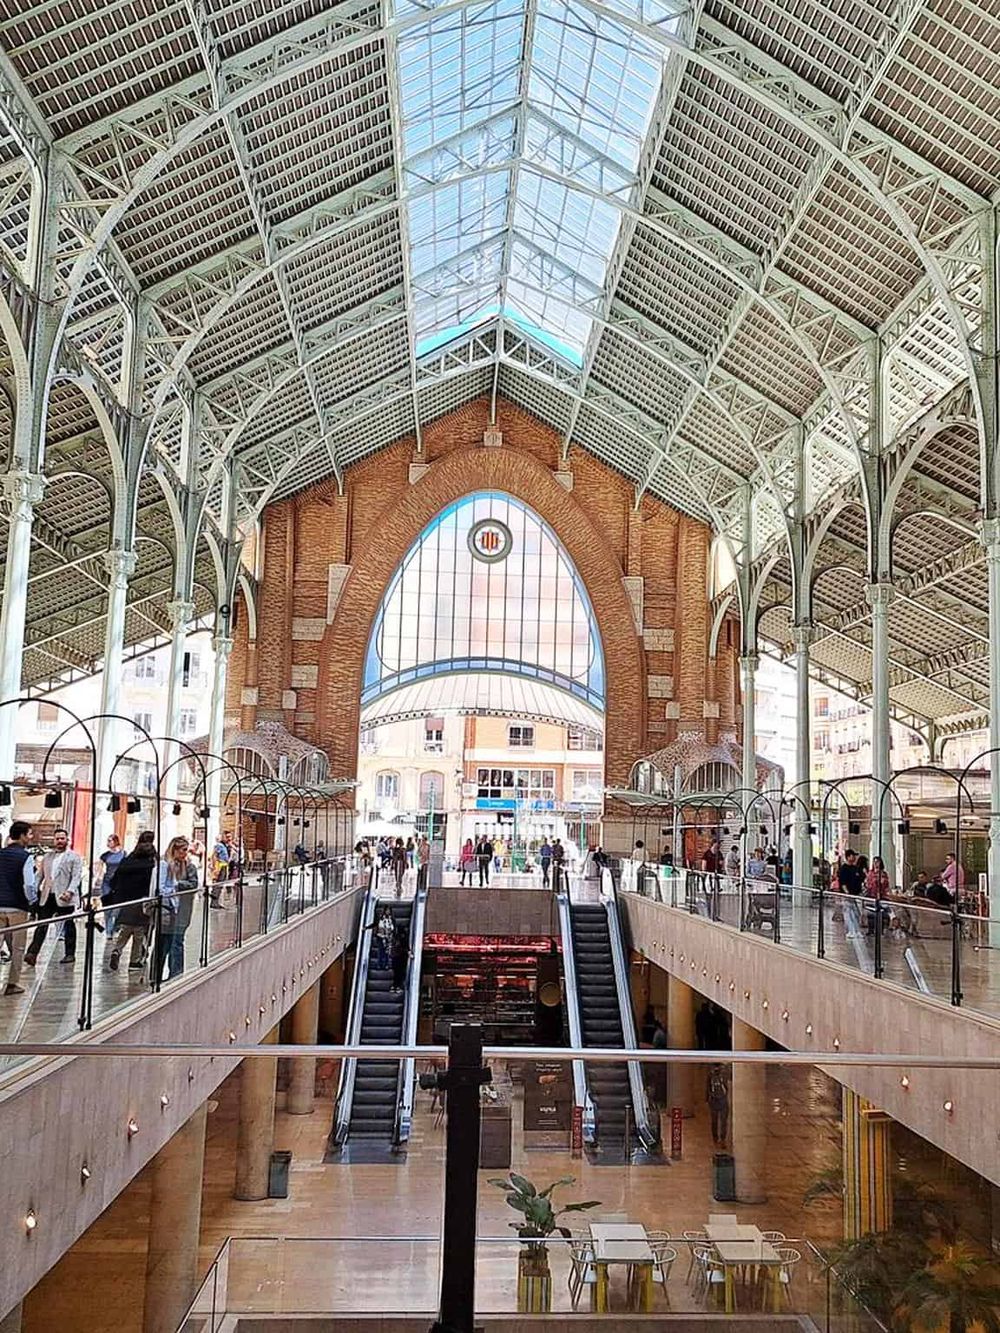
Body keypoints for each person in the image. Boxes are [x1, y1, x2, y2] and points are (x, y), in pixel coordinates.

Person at [25, 828, 84, 966]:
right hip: (48, 895)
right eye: (57, 838)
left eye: (62, 838)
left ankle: (70, 953)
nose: (59, 841)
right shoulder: (47, 857)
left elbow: (76, 877)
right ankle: (32, 953)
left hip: (65, 897)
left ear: (67, 840)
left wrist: (70, 891)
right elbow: (40, 875)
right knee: (42, 924)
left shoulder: (74, 857)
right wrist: (33, 890)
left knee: (68, 925)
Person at [107, 833, 158, 972]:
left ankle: (117, 949)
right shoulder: (151, 864)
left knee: (126, 927)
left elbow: (115, 878)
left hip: (126, 899)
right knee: (140, 931)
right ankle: (134, 961)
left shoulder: (128, 860)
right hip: (143, 900)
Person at [0, 821, 37, 996]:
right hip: (17, 906)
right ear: (22, 836)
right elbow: (29, 884)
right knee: (18, 946)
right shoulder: (25, 857)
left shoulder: (1, 853)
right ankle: (12, 984)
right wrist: (32, 901)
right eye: (29, 834)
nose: (31, 838)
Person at [155, 836, 198, 982]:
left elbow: (193, 884)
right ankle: (156, 975)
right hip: (166, 910)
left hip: (182, 911)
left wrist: (177, 885)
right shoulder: (165, 865)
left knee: (177, 942)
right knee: (163, 943)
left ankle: (176, 975)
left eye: (186, 850)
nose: (185, 853)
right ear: (175, 850)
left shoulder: (189, 866)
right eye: (183, 850)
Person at [99, 834, 125, 938]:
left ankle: (114, 926)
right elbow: (100, 868)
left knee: (117, 907)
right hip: (107, 882)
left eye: (110, 841)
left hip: (119, 882)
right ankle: (108, 930)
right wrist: (98, 878)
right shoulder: (105, 855)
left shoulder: (123, 854)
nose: (108, 843)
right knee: (107, 907)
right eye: (108, 841)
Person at [707, 1064, 730, 1146]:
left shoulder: (724, 1073)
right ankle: (715, 1138)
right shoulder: (710, 1074)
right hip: (714, 1099)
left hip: (723, 1099)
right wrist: (708, 1098)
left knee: (723, 1121)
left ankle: (723, 1139)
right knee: (714, 1121)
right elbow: (708, 1087)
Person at [374, 904, 395, 971]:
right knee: (380, 951)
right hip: (380, 937)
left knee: (387, 952)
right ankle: (379, 965)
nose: (387, 912)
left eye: (389, 910)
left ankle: (386, 965)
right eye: (386, 910)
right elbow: (376, 924)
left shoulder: (391, 919)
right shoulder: (381, 918)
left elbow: (394, 928)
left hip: (388, 938)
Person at [390, 927, 410, 994]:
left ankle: (394, 986)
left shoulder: (394, 938)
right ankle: (398, 987)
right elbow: (405, 948)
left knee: (396, 974)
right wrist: (409, 952)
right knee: (400, 974)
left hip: (395, 959)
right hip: (401, 959)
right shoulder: (403, 939)